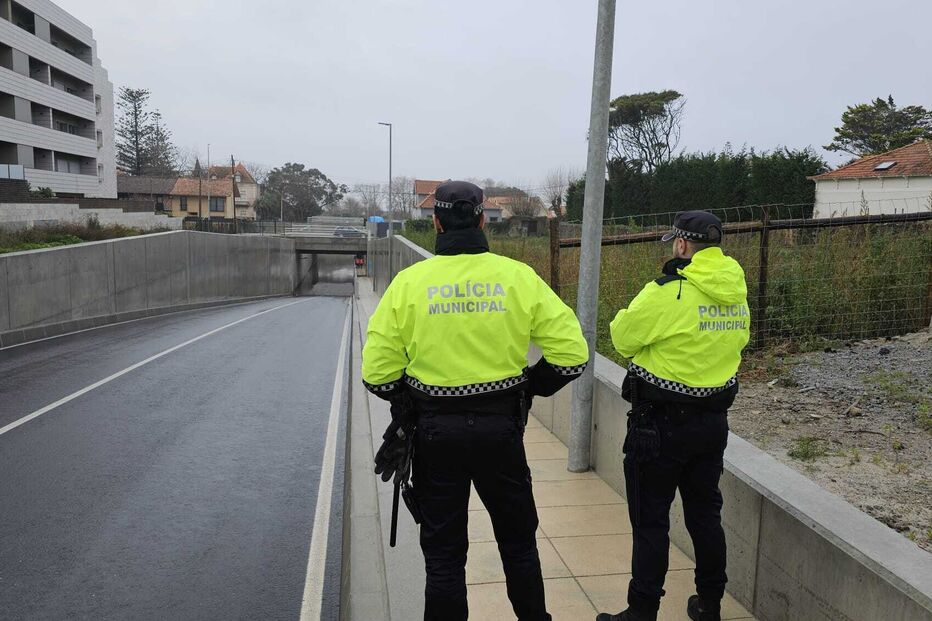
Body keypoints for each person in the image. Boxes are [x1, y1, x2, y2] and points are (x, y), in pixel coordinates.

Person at [361, 180, 589, 621]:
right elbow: (572, 357)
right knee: (519, 545)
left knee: (444, 556)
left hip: (434, 436)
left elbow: (376, 373)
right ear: (484, 219)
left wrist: (411, 400)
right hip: (501, 433)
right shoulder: (518, 277)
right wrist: (527, 389)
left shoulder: (410, 285)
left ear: (436, 221)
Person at [596, 211, 750, 621]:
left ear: (681, 245)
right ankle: (710, 605)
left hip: (659, 428)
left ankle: (641, 611)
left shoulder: (667, 291)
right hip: (713, 424)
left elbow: (622, 337)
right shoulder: (736, 292)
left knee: (651, 522)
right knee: (705, 516)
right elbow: (739, 344)